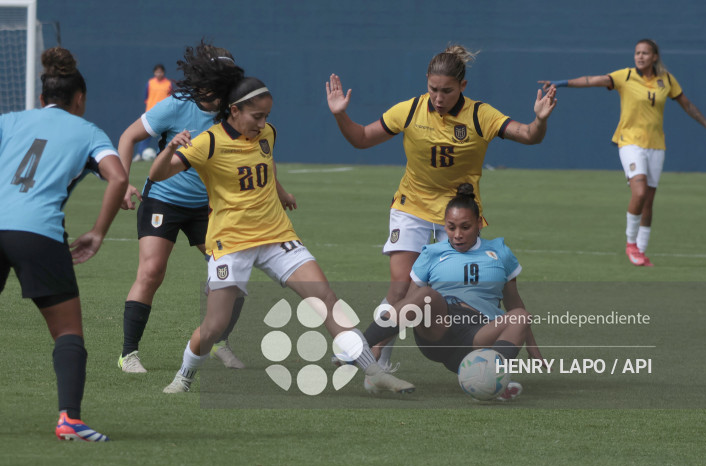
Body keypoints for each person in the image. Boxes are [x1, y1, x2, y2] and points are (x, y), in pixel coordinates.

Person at [149, 49, 415, 395]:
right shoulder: (207, 143)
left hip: (277, 236)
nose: (262, 124)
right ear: (234, 111)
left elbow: (265, 165)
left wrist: (281, 191)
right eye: (256, 116)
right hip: (231, 242)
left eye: (266, 116)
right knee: (214, 326)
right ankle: (183, 377)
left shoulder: (266, 134)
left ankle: (372, 371)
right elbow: (157, 175)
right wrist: (170, 149)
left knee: (326, 299)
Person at [326, 44, 557, 371]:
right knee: (401, 286)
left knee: (459, 293)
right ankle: (373, 356)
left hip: (458, 215)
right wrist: (341, 114)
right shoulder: (409, 110)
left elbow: (529, 135)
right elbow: (362, 138)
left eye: (447, 91)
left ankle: (479, 357)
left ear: (463, 86)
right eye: (433, 89)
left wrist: (539, 119)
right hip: (412, 206)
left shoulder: (480, 115)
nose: (438, 97)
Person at [0, 47, 127, 441]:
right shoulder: (89, 131)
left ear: (41, 99)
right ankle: (69, 419)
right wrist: (98, 232)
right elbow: (118, 178)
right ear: (80, 99)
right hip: (38, 232)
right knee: (68, 331)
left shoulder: (9, 120)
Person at [116, 42, 246, 374]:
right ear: (205, 81)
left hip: (208, 207)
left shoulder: (233, 110)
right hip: (163, 199)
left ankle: (219, 343)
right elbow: (129, 136)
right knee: (151, 272)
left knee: (232, 278)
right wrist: (121, 183)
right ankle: (128, 354)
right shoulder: (175, 106)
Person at [539, 38, 706, 267]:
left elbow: (687, 104)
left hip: (656, 145)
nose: (640, 56)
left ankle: (642, 252)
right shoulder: (625, 76)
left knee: (648, 201)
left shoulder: (666, 80)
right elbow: (592, 80)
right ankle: (630, 244)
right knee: (639, 190)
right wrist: (561, 83)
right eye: (637, 52)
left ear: (655, 56)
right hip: (629, 142)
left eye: (645, 53)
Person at [360, 184, 544, 401]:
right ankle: (358, 346)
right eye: (451, 227)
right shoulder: (432, 252)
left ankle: (492, 382)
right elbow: (410, 305)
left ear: (479, 223)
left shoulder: (500, 252)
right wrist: (379, 344)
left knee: (521, 315)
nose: (457, 235)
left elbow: (514, 304)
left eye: (465, 227)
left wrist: (532, 346)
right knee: (426, 295)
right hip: (440, 328)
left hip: (479, 336)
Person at [133, 64, 173, 162]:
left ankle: (165, 156)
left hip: (165, 113)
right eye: (157, 72)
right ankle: (140, 154)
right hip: (151, 113)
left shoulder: (168, 84)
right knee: (146, 134)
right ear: (154, 73)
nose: (159, 74)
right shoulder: (150, 83)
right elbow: (146, 97)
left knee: (166, 135)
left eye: (161, 72)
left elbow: (171, 98)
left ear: (163, 73)